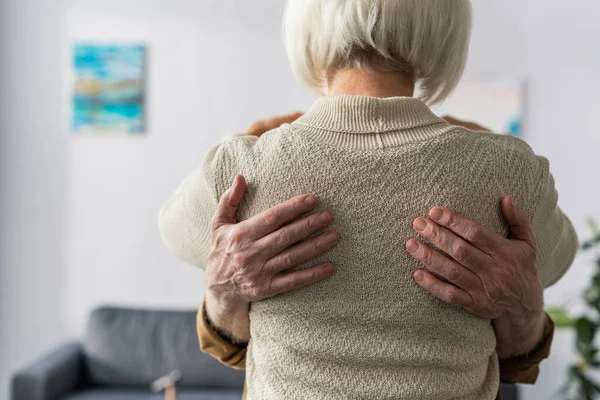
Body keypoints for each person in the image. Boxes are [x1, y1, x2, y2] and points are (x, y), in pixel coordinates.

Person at [158, 0, 578, 398]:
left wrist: (250, 135)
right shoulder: (510, 172)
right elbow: (560, 258)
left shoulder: (239, 167)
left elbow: (172, 228)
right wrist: (483, 144)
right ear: (444, 32)